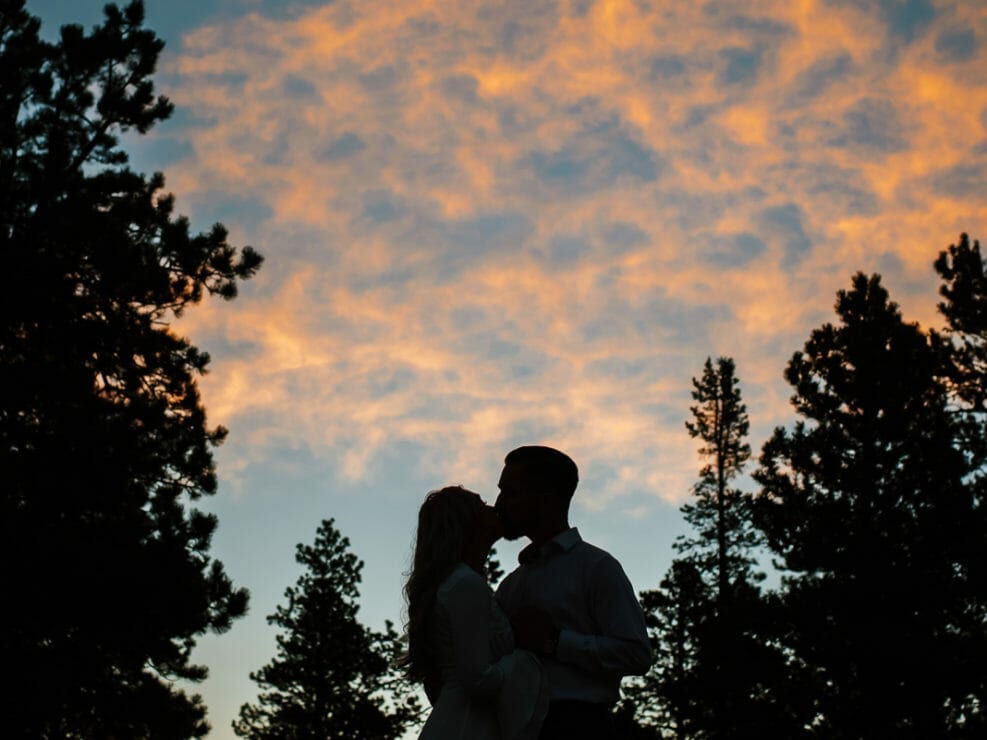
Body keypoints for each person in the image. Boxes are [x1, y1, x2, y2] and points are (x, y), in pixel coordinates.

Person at [494, 446, 652, 740]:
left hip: (579, 725)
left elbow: (637, 654)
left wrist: (555, 641)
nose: (499, 503)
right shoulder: (512, 583)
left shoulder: (596, 567)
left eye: (511, 493)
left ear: (547, 498)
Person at [404, 486, 548, 740]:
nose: (494, 509)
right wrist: (524, 656)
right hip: (467, 726)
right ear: (466, 522)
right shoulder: (465, 584)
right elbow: (478, 680)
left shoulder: (459, 582)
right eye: (481, 505)